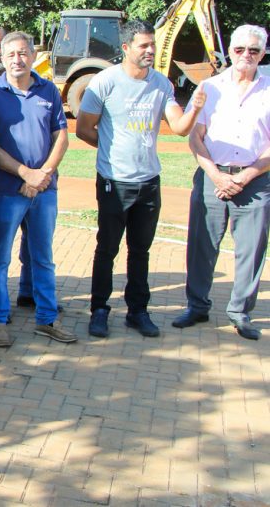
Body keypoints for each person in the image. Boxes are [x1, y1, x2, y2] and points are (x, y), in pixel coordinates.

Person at [76, 19, 205, 338]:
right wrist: (110, 148)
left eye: (153, 45)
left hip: (149, 182)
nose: (150, 50)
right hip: (113, 181)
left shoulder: (162, 84)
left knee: (141, 250)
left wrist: (196, 108)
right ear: (126, 48)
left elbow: (178, 127)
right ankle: (100, 310)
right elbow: (83, 128)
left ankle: (137, 311)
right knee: (107, 248)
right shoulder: (104, 82)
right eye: (143, 45)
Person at [173, 25, 270, 340]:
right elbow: (195, 138)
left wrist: (245, 176)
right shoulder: (210, 87)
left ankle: (240, 313)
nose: (246, 56)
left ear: (263, 53)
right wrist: (216, 175)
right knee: (202, 245)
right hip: (212, 176)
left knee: (251, 250)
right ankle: (197, 307)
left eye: (253, 51)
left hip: (255, 179)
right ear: (230, 50)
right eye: (240, 49)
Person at [0, 32, 76, 347]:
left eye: (23, 54)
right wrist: (25, 174)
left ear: (33, 56)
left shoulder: (48, 89)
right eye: (10, 55)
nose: (17, 60)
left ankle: (47, 319)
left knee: (43, 257)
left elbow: (61, 136)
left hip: (45, 190)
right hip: (7, 190)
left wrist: (43, 174)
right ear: (2, 59)